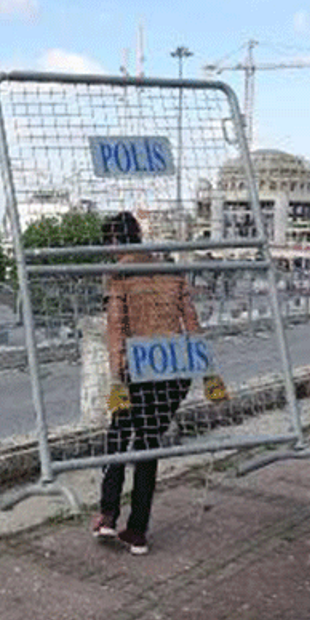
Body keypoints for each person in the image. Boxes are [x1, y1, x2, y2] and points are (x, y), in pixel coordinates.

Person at [91, 211, 201, 556]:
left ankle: (108, 515)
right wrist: (209, 373)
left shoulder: (120, 274)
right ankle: (137, 531)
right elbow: (193, 324)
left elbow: (116, 331)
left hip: (137, 368)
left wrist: (116, 378)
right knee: (148, 444)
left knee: (117, 436)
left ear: (113, 240)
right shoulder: (170, 269)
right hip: (174, 368)